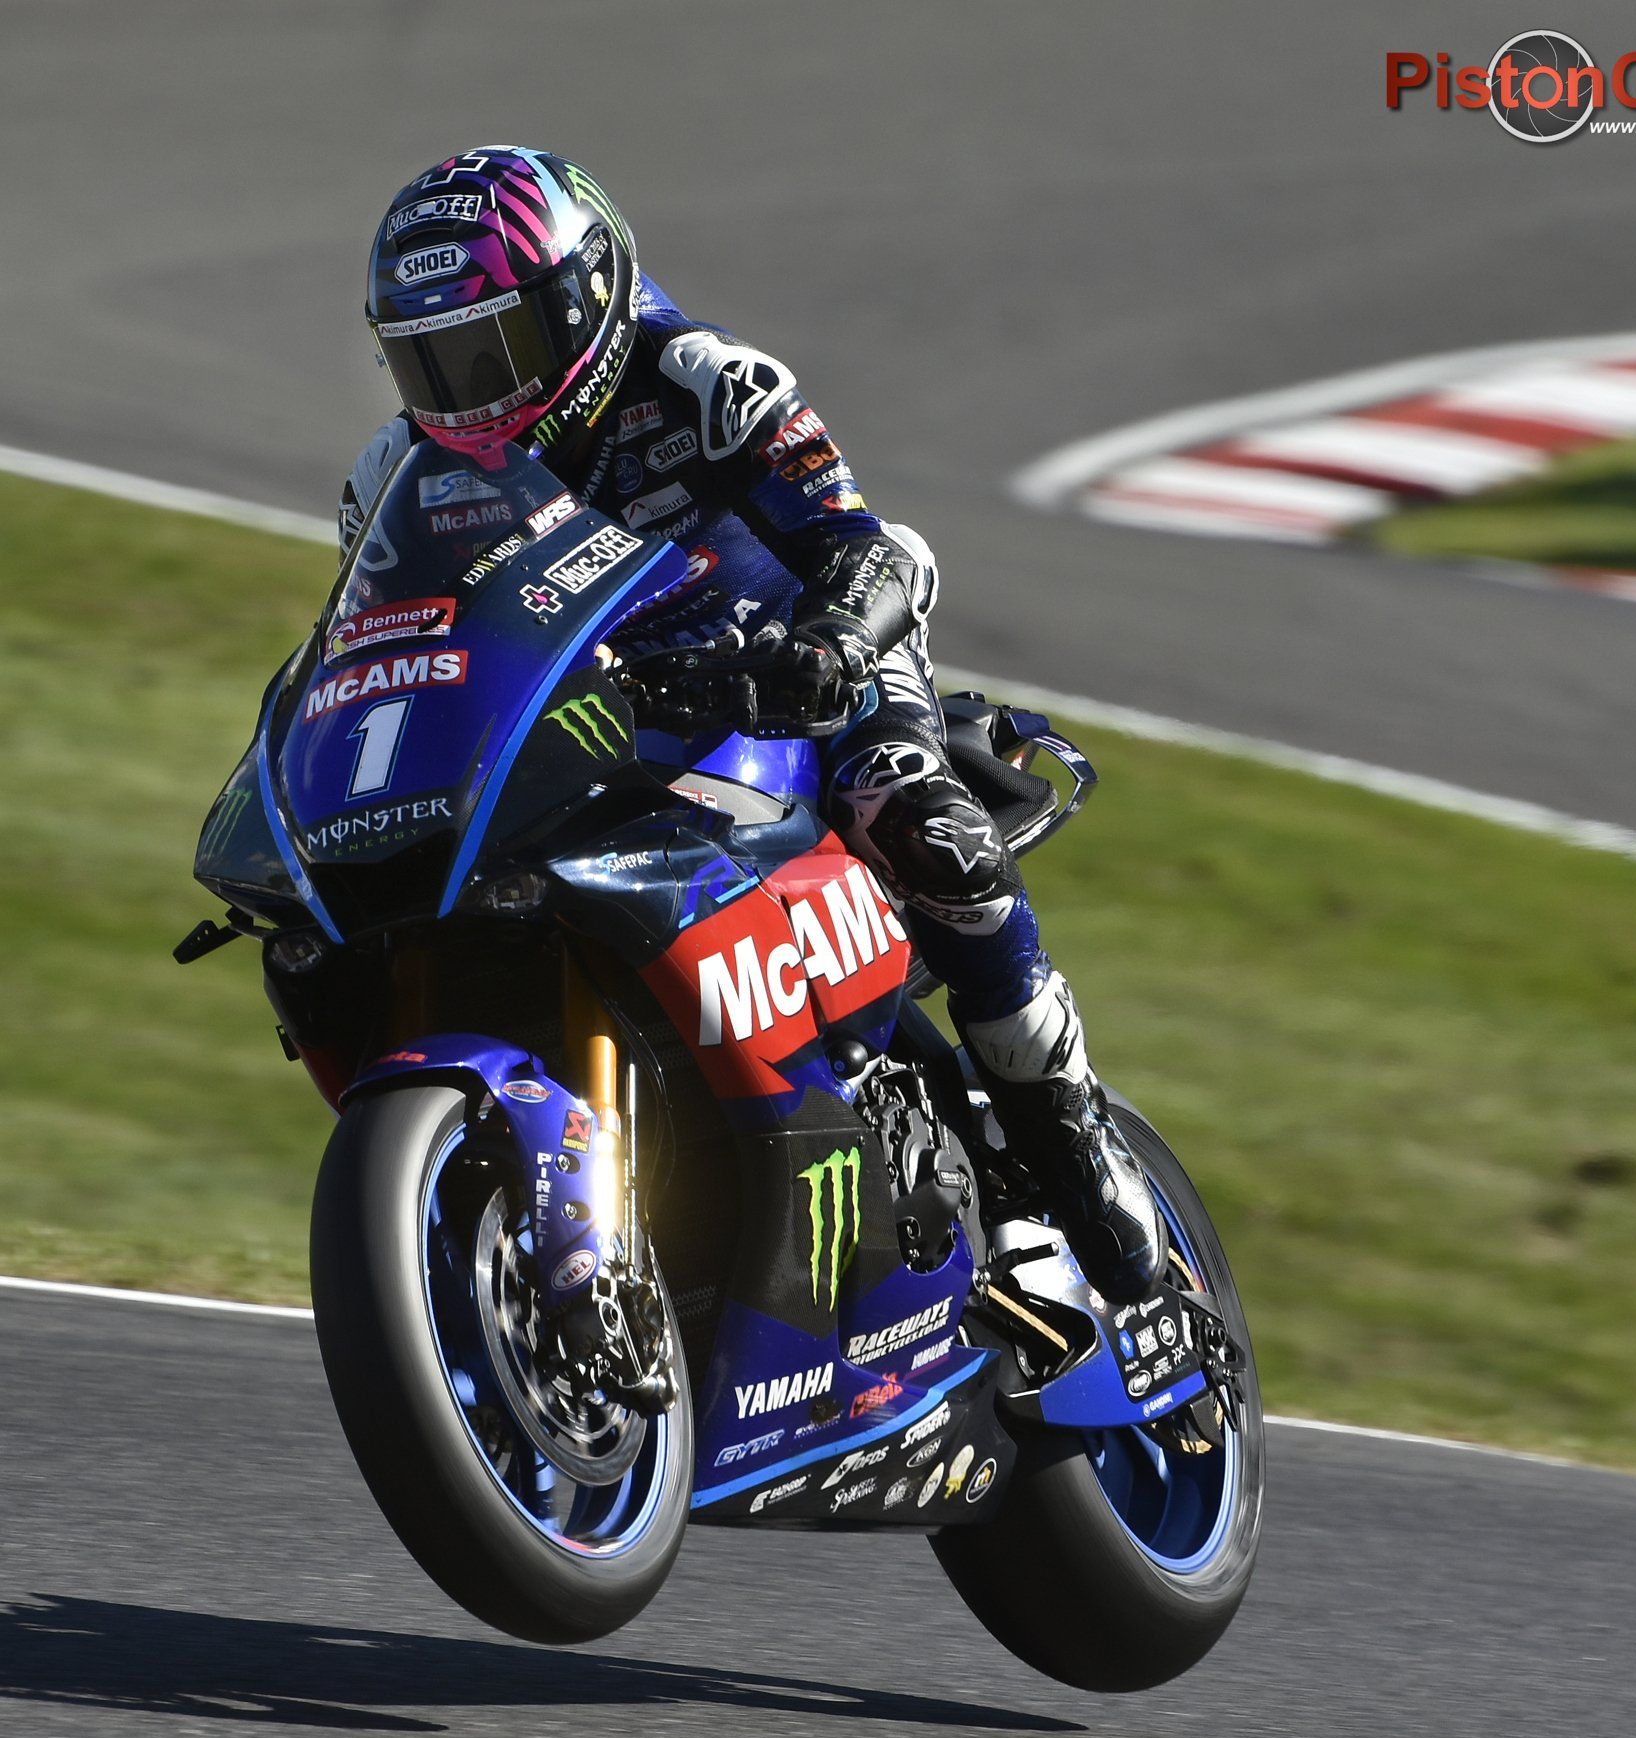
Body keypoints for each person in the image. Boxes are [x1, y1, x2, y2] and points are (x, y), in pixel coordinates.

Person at [344, 146, 1165, 1298]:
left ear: (579, 302)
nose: (465, 396)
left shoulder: (701, 382)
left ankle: (1063, 1128)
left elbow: (862, 545)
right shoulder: (399, 471)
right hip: (604, 717)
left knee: (919, 821)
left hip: (798, 668)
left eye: (489, 352)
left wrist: (825, 646)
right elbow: (393, 644)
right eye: (428, 364)